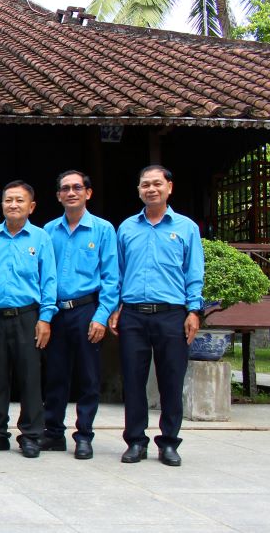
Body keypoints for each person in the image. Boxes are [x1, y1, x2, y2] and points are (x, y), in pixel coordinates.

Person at [109, 165, 203, 467]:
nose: (151, 189)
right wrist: (115, 308)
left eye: (157, 184)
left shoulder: (187, 228)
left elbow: (193, 272)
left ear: (169, 188)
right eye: (145, 184)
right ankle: (135, 441)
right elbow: (117, 273)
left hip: (171, 315)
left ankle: (169, 442)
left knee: (171, 380)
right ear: (138, 190)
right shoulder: (126, 228)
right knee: (133, 381)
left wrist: (193, 310)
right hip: (133, 314)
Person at [0, 180, 56, 458]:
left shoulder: (41, 238)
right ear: (2, 204)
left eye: (19, 200)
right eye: (8, 200)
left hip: (27, 316)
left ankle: (31, 435)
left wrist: (45, 318)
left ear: (31, 206)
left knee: (30, 378)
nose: (13, 205)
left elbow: (49, 280)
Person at [40, 170, 119, 460]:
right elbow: (43, 275)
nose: (71, 192)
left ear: (88, 193)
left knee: (88, 376)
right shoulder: (48, 231)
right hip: (56, 311)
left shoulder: (102, 230)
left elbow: (111, 278)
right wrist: (45, 315)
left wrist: (102, 315)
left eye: (77, 187)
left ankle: (84, 435)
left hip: (87, 309)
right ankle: (53, 433)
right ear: (58, 195)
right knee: (55, 375)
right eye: (65, 188)